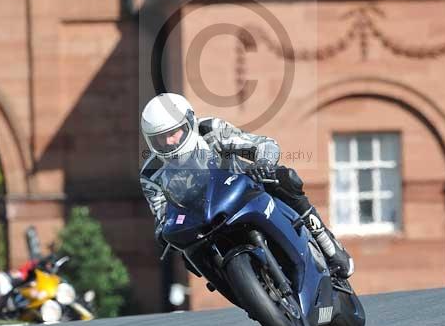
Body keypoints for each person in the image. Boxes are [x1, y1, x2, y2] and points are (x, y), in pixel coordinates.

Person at [140, 92, 353, 279]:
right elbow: (162, 217)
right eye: (159, 138)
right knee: (186, 252)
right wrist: (164, 232)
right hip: (201, 221)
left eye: (173, 132)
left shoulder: (211, 130)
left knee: (284, 177)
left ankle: (327, 243)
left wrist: (263, 163)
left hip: (243, 191)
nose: (168, 142)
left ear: (190, 123)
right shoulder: (150, 174)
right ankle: (235, 288)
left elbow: (262, 145)